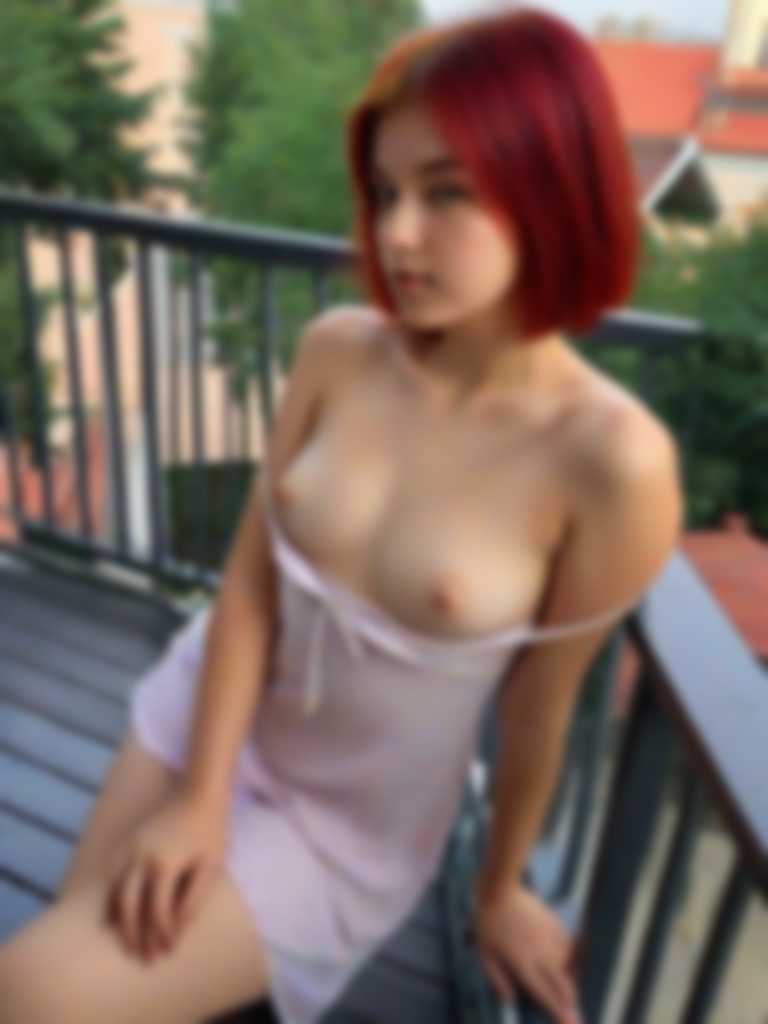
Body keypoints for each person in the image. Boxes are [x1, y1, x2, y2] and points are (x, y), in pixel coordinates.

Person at [0, 6, 683, 1024]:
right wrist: (200, 801)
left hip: (345, 827)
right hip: (208, 712)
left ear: (550, 188)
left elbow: (541, 709)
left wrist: (498, 892)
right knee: (60, 955)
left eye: (446, 192)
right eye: (386, 192)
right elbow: (248, 585)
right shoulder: (340, 350)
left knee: (34, 993)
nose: (397, 234)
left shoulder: (611, 461)